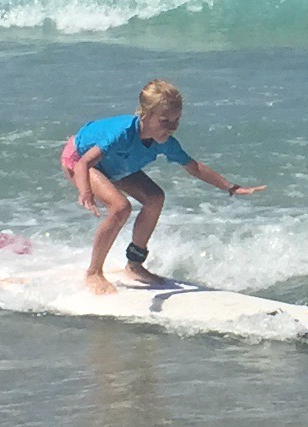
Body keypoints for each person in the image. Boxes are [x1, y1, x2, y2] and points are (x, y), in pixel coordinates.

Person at [62, 78, 261, 295]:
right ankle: (94, 272)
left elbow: (194, 167)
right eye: (165, 121)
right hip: (80, 160)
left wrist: (231, 187)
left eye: (177, 120)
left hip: (115, 164)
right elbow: (83, 164)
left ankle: (134, 265)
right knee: (120, 208)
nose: (172, 127)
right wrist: (86, 192)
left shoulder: (165, 142)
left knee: (155, 198)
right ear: (145, 115)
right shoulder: (122, 134)